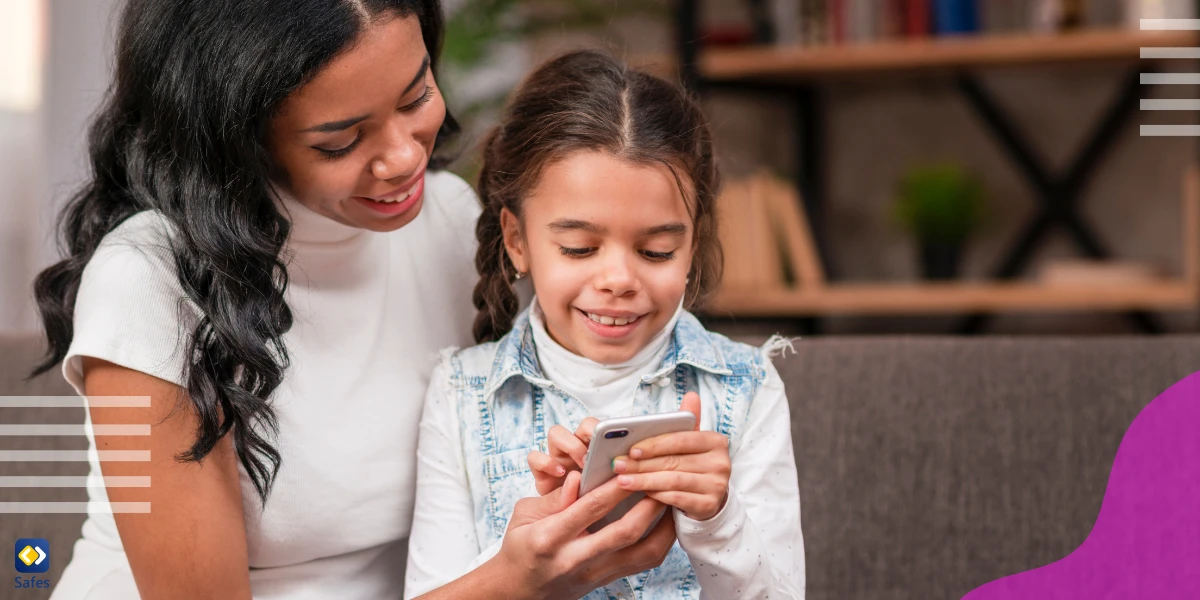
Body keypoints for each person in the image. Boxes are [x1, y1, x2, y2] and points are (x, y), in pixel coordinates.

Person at [33, 2, 674, 598]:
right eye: (340, 140)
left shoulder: (451, 219)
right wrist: (512, 582)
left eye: (417, 94)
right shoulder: (145, 280)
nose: (403, 158)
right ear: (239, 139)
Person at [405, 50, 806, 599]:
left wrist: (718, 522)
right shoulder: (461, 394)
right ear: (518, 240)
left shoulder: (746, 388)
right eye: (579, 248)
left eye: (657, 250)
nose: (618, 278)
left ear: (692, 244)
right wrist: (524, 565)